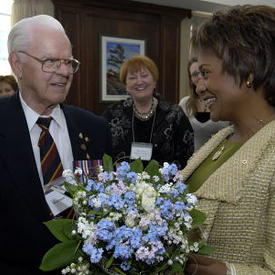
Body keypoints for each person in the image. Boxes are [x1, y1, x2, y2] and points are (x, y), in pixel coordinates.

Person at [0, 15, 112, 274]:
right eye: (50, 61)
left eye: (68, 62)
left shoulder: (94, 128)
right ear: (17, 63)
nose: (64, 72)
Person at [181, 5, 275, 275]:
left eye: (206, 73)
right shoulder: (221, 138)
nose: (199, 87)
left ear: (248, 72)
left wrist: (226, 271)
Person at [102, 55, 194, 169]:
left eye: (144, 75)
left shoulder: (174, 114)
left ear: (154, 81)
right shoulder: (113, 113)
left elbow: (187, 154)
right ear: (126, 85)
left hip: (166, 185)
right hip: (121, 185)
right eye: (132, 77)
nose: (139, 81)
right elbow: (103, 152)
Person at [179, 57, 229, 151]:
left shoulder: (224, 101)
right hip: (191, 160)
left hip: (219, 159)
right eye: (194, 74)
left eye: (203, 71)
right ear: (190, 80)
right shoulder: (185, 104)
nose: (200, 76)